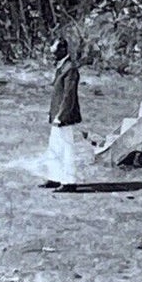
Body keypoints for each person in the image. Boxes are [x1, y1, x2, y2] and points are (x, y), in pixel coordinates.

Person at [46, 36, 88, 188]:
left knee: (66, 148)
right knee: (55, 147)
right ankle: (54, 177)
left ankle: (69, 182)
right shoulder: (61, 67)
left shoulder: (70, 69)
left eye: (55, 51)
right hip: (57, 115)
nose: (52, 54)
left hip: (65, 116)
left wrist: (61, 116)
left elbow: (68, 96)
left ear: (63, 50)